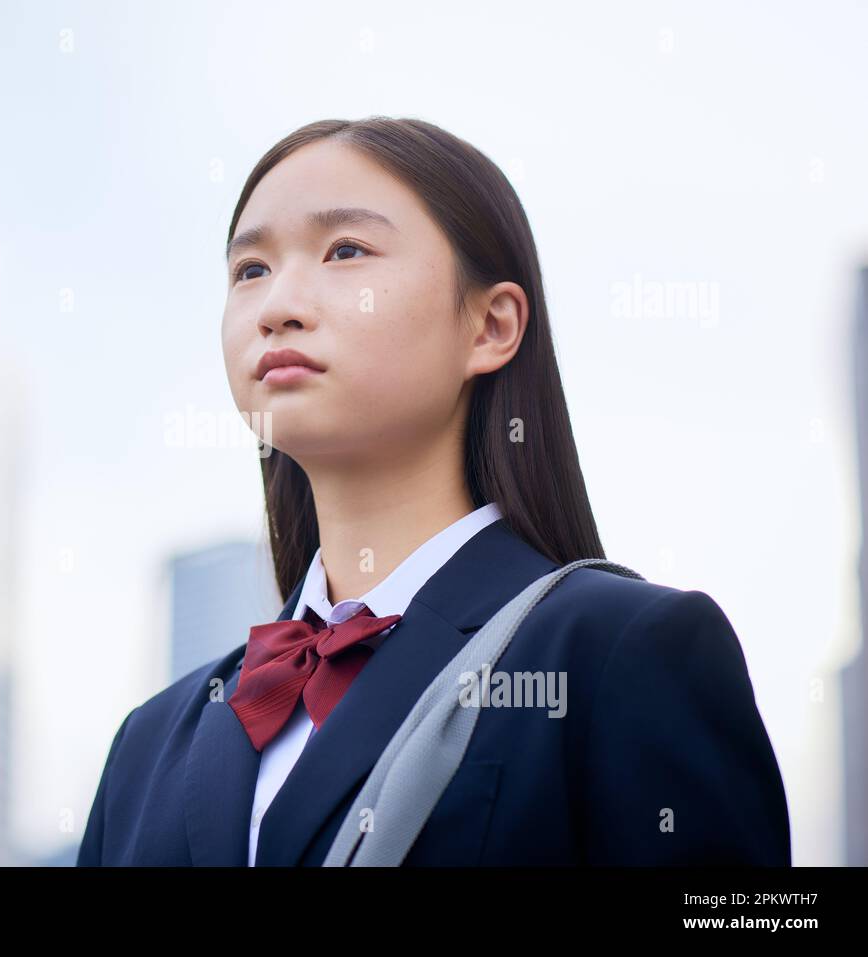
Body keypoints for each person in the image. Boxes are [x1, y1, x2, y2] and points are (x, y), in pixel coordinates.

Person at [76, 116, 791, 866]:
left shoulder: (619, 652)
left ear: (490, 325)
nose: (275, 304)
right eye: (249, 269)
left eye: (345, 250)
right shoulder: (148, 742)